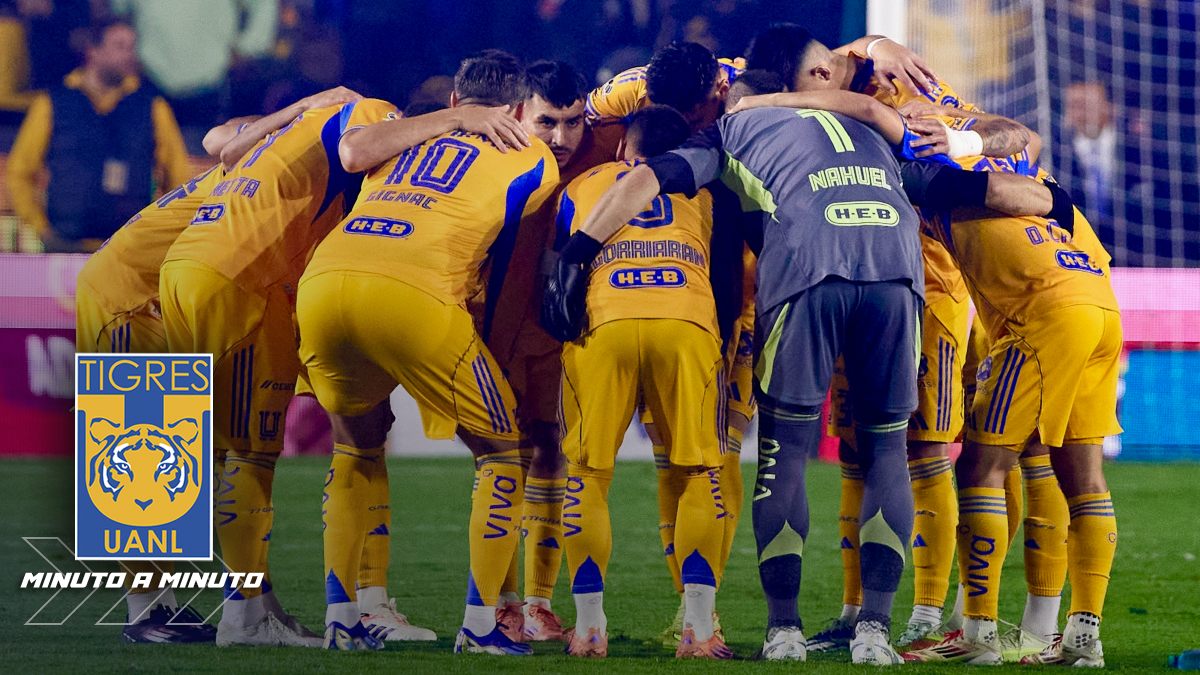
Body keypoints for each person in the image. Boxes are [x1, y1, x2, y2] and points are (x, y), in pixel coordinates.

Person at [545, 81, 1080, 665]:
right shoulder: (882, 132)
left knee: (770, 452)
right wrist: (1056, 203)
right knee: (892, 454)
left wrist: (574, 258)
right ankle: (878, 627)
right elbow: (979, 178)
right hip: (896, 284)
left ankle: (778, 632)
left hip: (778, 286)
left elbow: (661, 193)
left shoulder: (729, 133)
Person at [745, 24, 1070, 657]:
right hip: (844, 274)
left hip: (930, 294)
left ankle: (923, 610)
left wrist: (961, 136)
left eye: (837, 64)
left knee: (919, 454)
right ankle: (853, 609)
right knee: (856, 455)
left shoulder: (898, 88)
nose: (835, 69)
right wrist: (866, 44)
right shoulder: (824, 83)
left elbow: (1021, 139)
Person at [294, 51, 560, 655]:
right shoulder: (533, 159)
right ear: (519, 109)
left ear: (455, 103)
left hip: (325, 281)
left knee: (355, 444)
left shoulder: (399, 138)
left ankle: (342, 617)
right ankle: (480, 623)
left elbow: (354, 153)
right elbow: (509, 268)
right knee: (503, 452)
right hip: (415, 294)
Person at [548, 104, 731, 660]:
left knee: (587, 471)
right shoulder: (705, 185)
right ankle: (699, 630)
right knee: (698, 467)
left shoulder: (582, 185)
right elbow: (726, 273)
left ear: (627, 149)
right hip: (687, 319)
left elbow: (557, 267)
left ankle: (588, 628)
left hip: (605, 323)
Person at [482, 59, 591, 643]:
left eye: (573, 122)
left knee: (551, 450)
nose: (562, 137)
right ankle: (498, 606)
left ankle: (539, 602)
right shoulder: (491, 157)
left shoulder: (593, 155)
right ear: (518, 113)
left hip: (555, 335)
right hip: (493, 332)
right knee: (501, 457)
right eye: (548, 121)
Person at [6, 18, 191, 252]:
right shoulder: (53, 102)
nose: (129, 55)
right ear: (93, 51)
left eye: (132, 47)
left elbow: (178, 174)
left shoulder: (152, 106)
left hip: (129, 246)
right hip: (65, 243)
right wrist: (41, 229)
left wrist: (160, 230)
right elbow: (20, 171)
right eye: (119, 46)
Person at [110, 0, 279, 127]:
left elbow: (263, 5)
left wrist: (249, 48)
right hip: (149, 80)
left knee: (211, 165)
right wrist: (127, 54)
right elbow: (119, 12)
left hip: (213, 82)